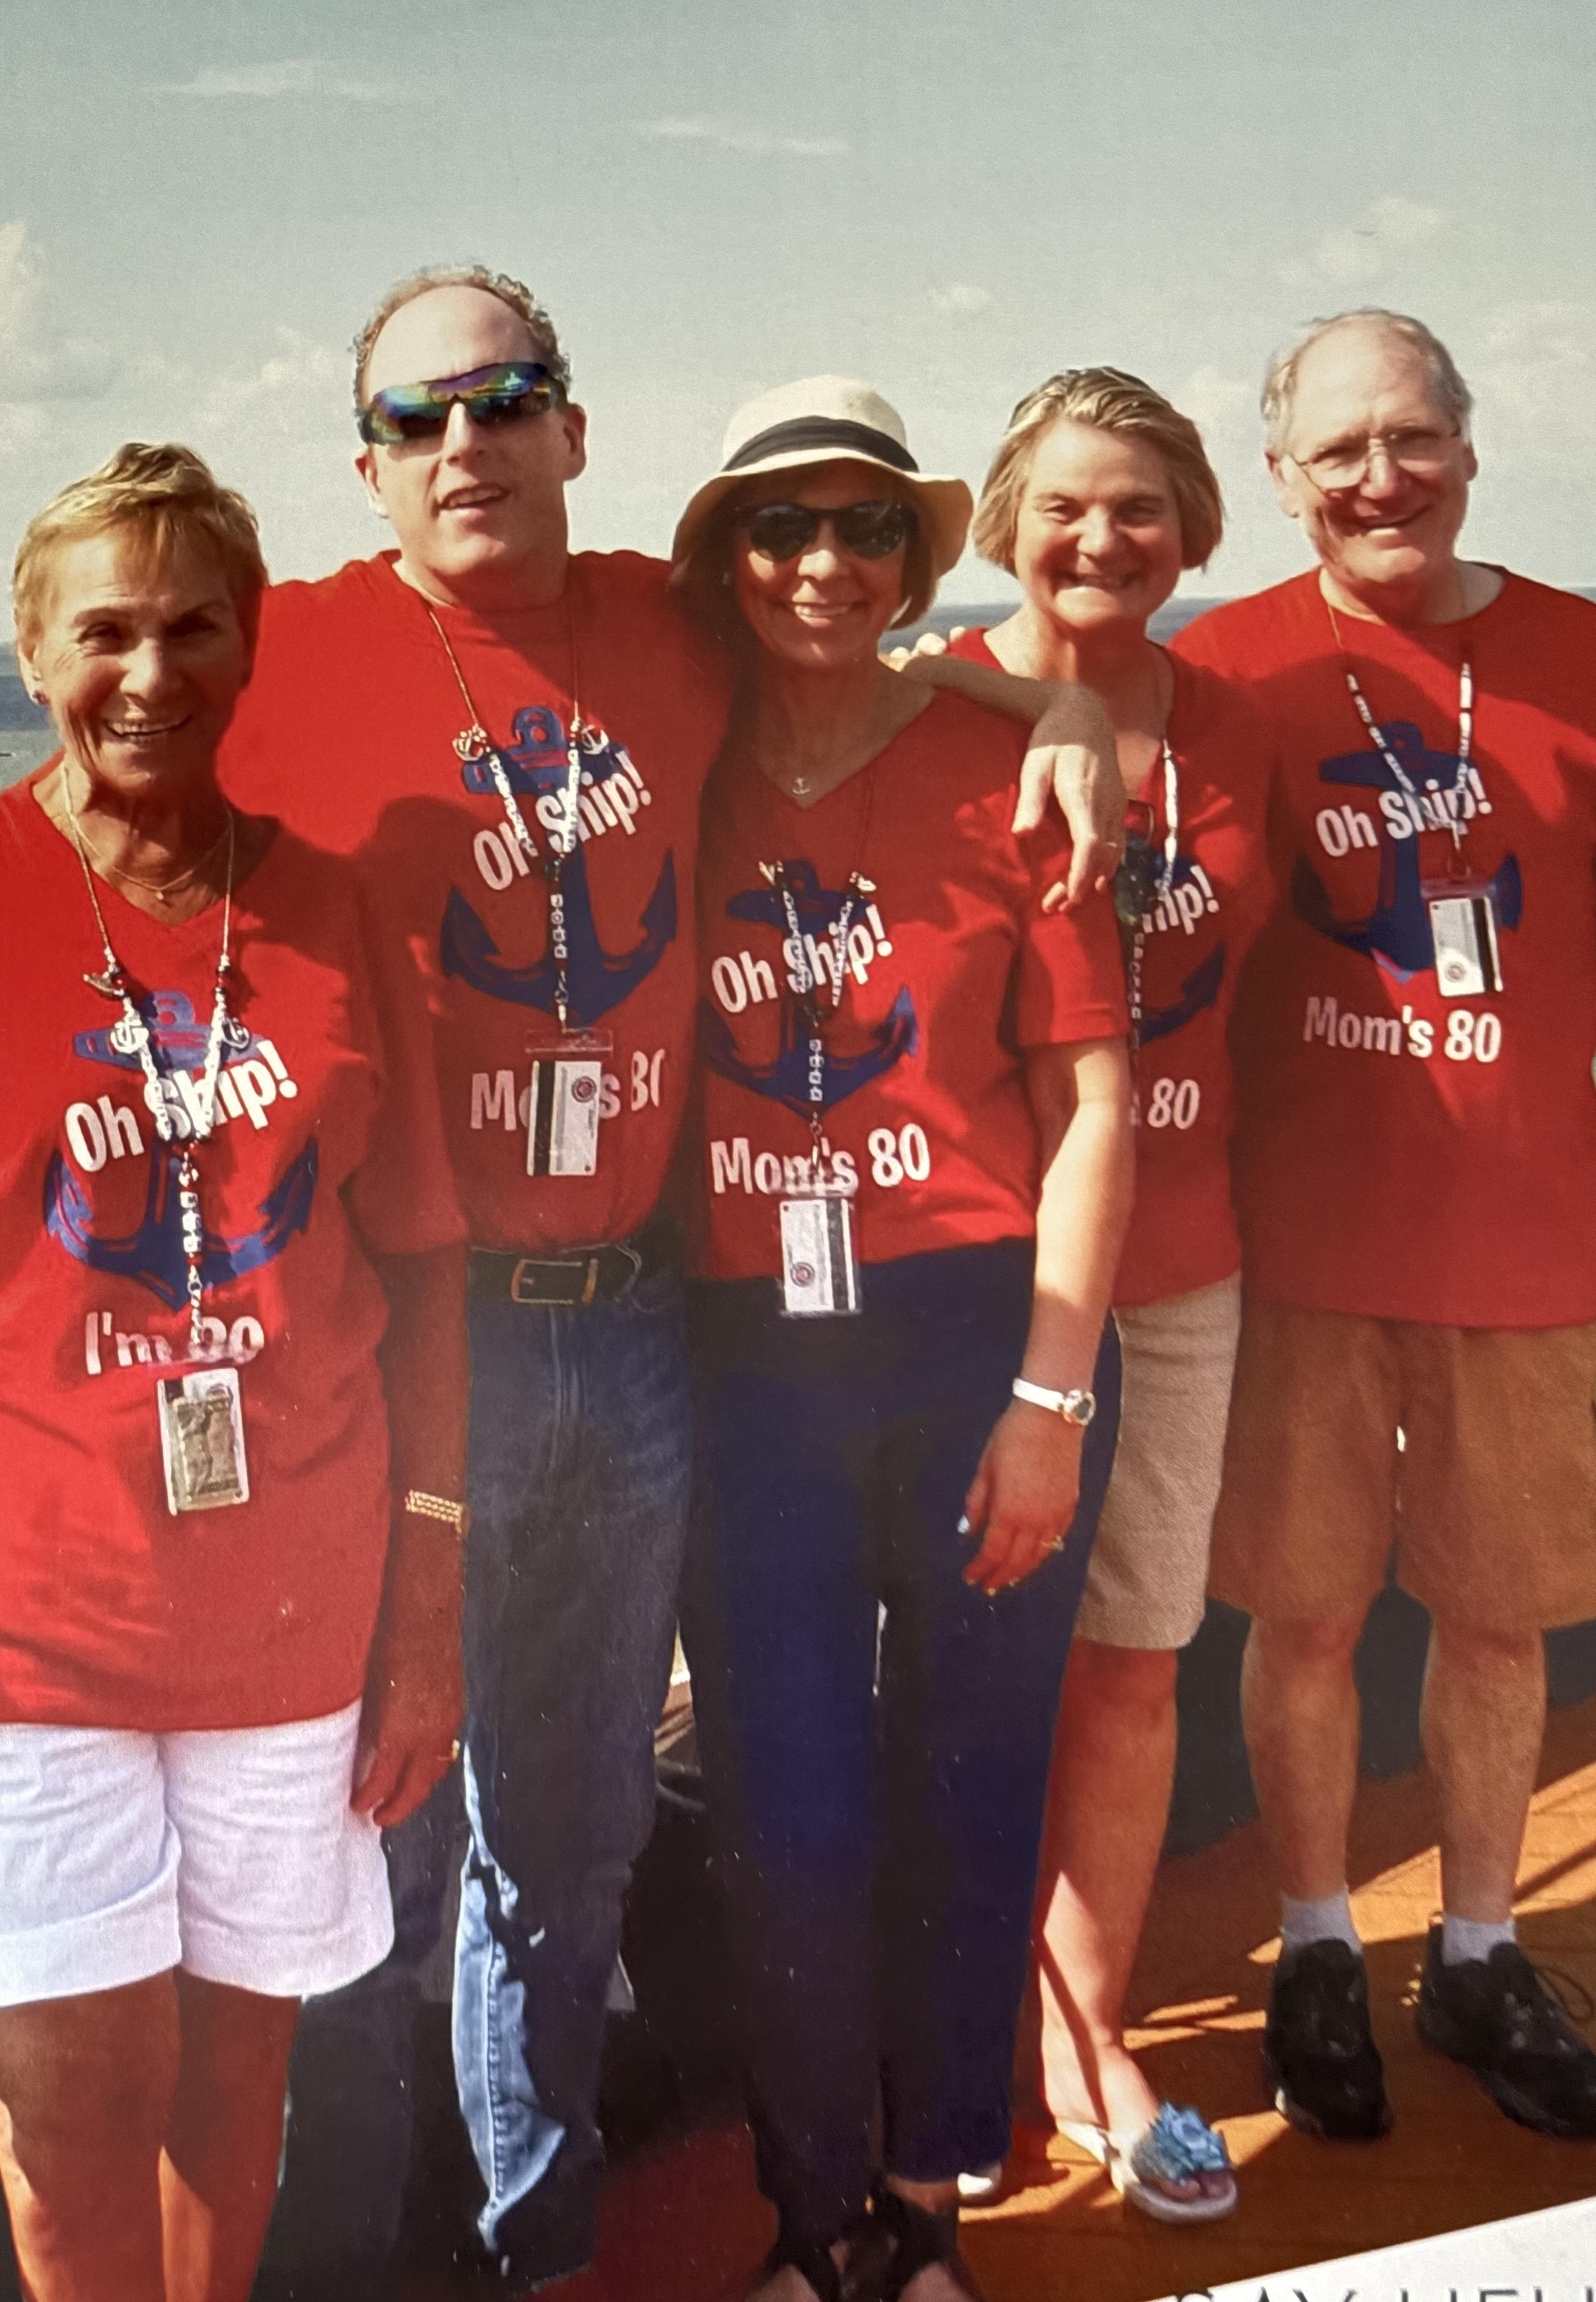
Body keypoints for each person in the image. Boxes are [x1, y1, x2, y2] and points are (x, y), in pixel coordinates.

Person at [219, 267, 1127, 2293]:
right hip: (428, 1337)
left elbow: (879, 662)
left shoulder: (659, 628)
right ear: (363, 458)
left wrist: (1059, 699)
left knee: (588, 1834)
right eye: (418, 415)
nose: (468, 441)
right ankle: (378, 2265)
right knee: (398, 1831)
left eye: (510, 396)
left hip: (663, 1327)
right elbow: (105, 817)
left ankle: (617, 2242)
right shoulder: (285, 652)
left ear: (572, 425)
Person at [0, 443, 469, 2302]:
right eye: (106, 631)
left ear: (249, 652)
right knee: (81, 2107)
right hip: (16, 1632)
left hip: (288, 1614)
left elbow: (420, 1272)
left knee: (234, 2086)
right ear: (30, 653)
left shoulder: (329, 914)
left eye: (195, 628)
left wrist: (427, 1613)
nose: (151, 673)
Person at [669, 376, 1135, 2302]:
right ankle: (814, 2219)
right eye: (784, 527)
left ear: (911, 557)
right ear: (723, 557)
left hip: (972, 1334)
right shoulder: (671, 762)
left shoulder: (1001, 775)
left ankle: (931, 2206)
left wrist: (1047, 1397)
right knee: (786, 1804)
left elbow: (1094, 1103)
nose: (824, 564)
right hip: (745, 1349)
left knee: (965, 1777)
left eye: (867, 528)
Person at [1174, 309, 1596, 2142]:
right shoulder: (1231, 669)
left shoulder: (1578, 654)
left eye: (1410, 437)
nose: (1377, 477)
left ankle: (1483, 1954)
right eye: (1335, 450)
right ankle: (1320, 1942)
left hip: (1524, 1241)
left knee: (1500, 1623)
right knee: (1306, 1614)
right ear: (1279, 479)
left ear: (1468, 448)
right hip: (1301, 1245)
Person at [931, 370, 1273, 2219]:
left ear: (1196, 528)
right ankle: (961, 2025)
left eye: (1140, 506)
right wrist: (1035, 697)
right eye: (1064, 503)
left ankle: (1088, 2039)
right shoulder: (922, 712)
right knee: (974, 1668)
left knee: (1133, 1661)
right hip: (977, 1275)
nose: (1099, 538)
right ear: (1001, 515)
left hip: (1183, 1269)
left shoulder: (1240, 733)